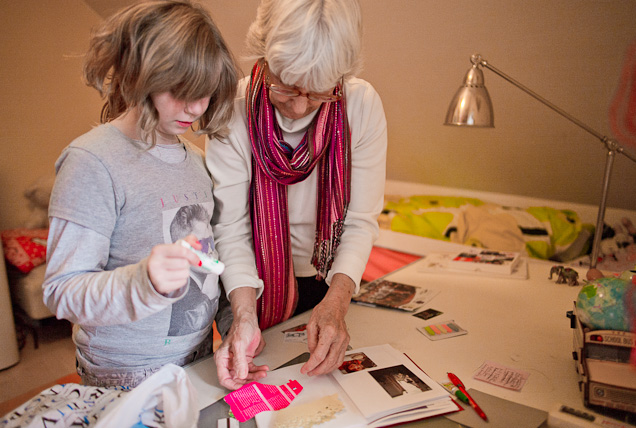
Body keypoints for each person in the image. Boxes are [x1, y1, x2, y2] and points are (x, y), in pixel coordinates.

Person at [43, 0, 266, 388]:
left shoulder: (197, 163)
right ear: (142, 75)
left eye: (207, 94)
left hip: (197, 358)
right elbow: (62, 290)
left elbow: (208, 266)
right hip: (124, 374)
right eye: (182, 92)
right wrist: (142, 282)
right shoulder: (92, 161)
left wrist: (233, 328)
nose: (197, 108)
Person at [207, 0, 387, 389]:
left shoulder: (361, 105)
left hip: (330, 278)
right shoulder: (232, 109)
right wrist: (242, 315)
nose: (300, 106)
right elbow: (230, 228)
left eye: (319, 94)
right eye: (286, 88)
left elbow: (359, 221)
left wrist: (337, 304)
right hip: (253, 283)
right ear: (264, 55)